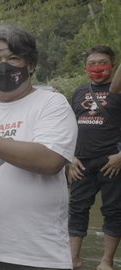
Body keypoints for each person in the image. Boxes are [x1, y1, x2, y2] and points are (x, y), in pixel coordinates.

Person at [0, 25, 78, 269]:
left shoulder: (51, 104)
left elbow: (50, 161)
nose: (3, 66)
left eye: (13, 58)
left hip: (37, 254)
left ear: (30, 65)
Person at [68, 45, 121, 270]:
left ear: (112, 65)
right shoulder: (80, 92)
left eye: (102, 63)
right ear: (85, 67)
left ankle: (106, 261)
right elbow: (67, 128)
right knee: (76, 209)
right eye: (92, 63)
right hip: (81, 162)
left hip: (112, 163)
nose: (97, 67)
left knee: (114, 210)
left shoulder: (118, 91)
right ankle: (73, 259)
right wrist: (70, 157)